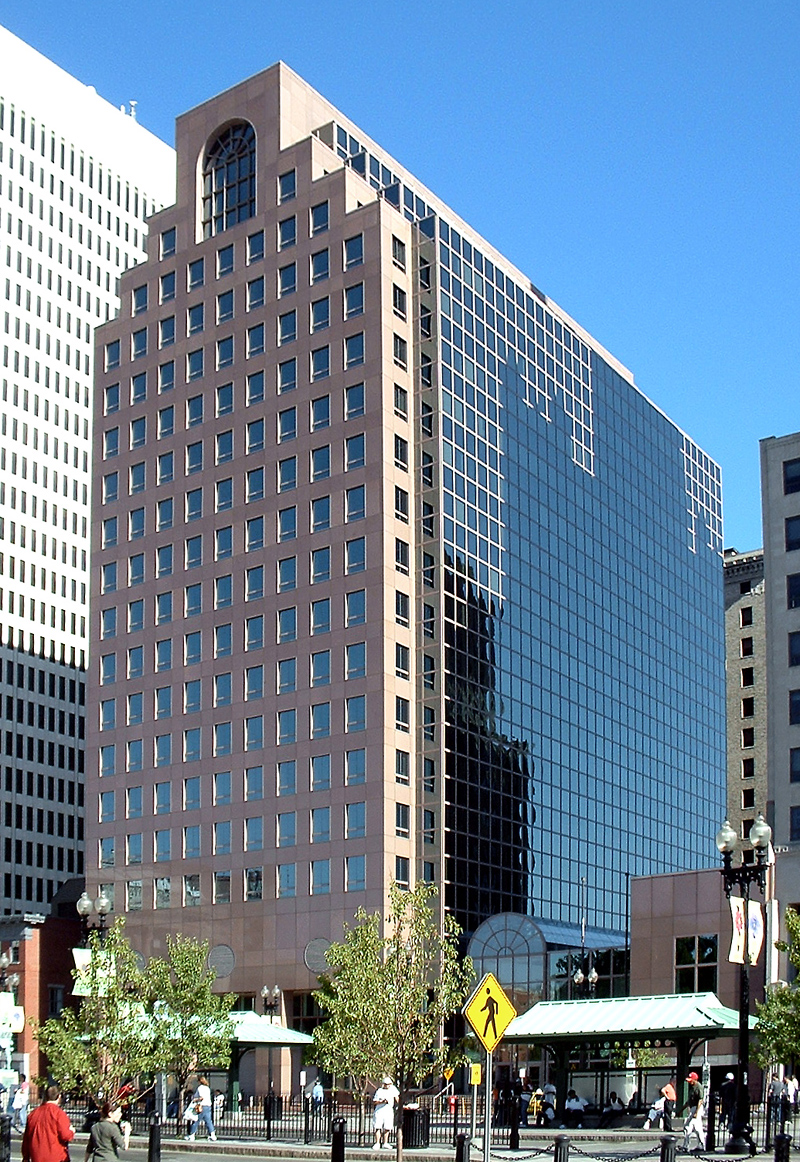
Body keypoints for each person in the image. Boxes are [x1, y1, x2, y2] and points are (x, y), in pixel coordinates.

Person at [22, 1086, 75, 1162]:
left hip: (37, 1157)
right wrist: (72, 1131)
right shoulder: (59, 1114)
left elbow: (26, 1139)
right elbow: (66, 1136)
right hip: (56, 1157)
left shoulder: (33, 1114)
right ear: (59, 1097)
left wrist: (26, 1157)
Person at [186, 1076, 216, 1143]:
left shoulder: (200, 1088)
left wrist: (195, 1099)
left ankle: (192, 1135)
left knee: (195, 1120)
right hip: (208, 1106)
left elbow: (201, 1097)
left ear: (200, 1081)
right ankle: (212, 1135)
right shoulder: (207, 1088)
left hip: (201, 1106)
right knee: (208, 1121)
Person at [372, 1075, 399, 1150]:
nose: (387, 1086)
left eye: (389, 1084)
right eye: (386, 1084)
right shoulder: (379, 1091)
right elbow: (375, 1101)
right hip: (379, 1111)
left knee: (387, 1127)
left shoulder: (393, 1089)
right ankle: (377, 1143)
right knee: (378, 1127)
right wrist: (381, 1101)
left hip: (389, 1110)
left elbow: (397, 1098)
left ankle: (385, 1143)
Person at [682, 1071, 705, 1153]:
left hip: (697, 1108)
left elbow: (700, 1100)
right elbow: (689, 1101)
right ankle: (700, 1144)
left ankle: (688, 1145)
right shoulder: (692, 1087)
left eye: (691, 1080)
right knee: (695, 1128)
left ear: (695, 1080)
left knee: (689, 1126)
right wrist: (682, 1109)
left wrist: (696, 1112)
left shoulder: (698, 1087)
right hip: (693, 1108)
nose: (689, 1081)